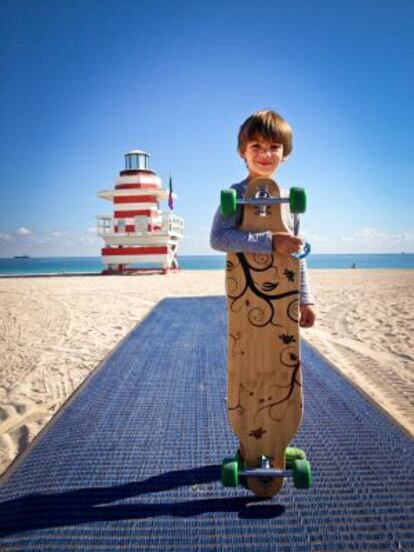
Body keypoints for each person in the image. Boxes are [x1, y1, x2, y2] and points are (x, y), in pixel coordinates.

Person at [210, 109, 316, 328]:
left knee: (280, 349)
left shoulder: (289, 199)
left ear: (285, 152)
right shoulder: (237, 194)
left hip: (284, 287)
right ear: (242, 151)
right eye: (256, 146)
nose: (265, 154)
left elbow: (297, 251)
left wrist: (305, 299)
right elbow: (218, 237)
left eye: (274, 147)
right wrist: (271, 242)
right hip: (247, 288)